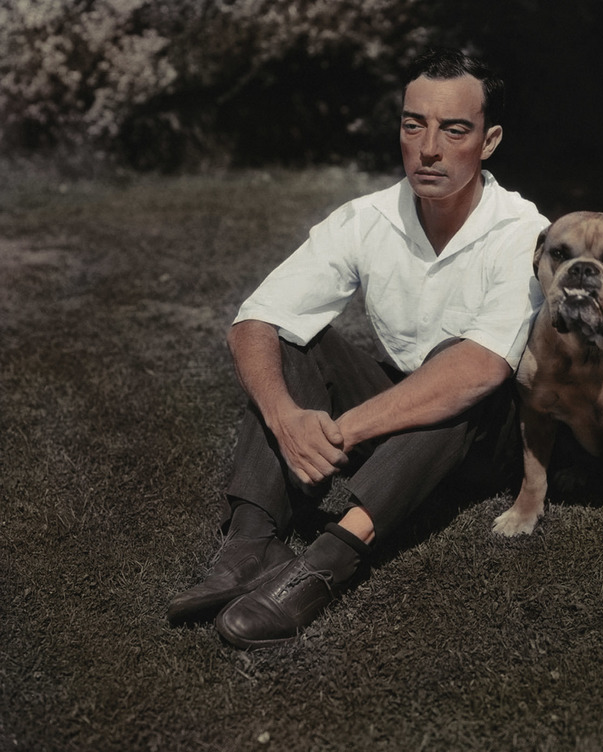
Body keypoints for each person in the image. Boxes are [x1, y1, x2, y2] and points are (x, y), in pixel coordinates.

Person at [167, 48, 548, 649]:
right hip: (400, 410)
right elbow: (255, 320)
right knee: (295, 338)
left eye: (454, 130)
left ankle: (329, 558)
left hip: (483, 436)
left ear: (490, 140)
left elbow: (477, 370)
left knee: (456, 367)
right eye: (412, 124)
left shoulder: (524, 231)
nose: (428, 148)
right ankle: (249, 543)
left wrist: (339, 432)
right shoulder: (366, 217)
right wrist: (286, 417)